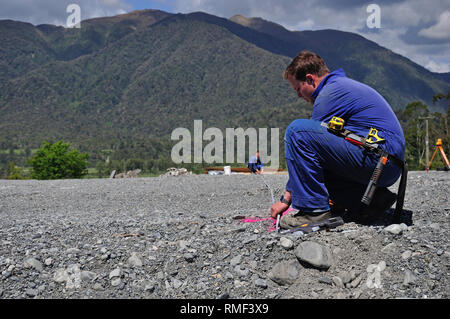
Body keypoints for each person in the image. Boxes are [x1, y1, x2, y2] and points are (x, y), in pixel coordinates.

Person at [271, 50, 405, 228]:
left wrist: (286, 199)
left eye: (298, 89)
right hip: (388, 164)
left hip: (381, 162)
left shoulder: (331, 93)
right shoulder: (339, 85)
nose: (298, 95)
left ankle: (314, 213)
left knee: (297, 132)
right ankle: (374, 200)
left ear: (310, 79)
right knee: (314, 158)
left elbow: (305, 146)